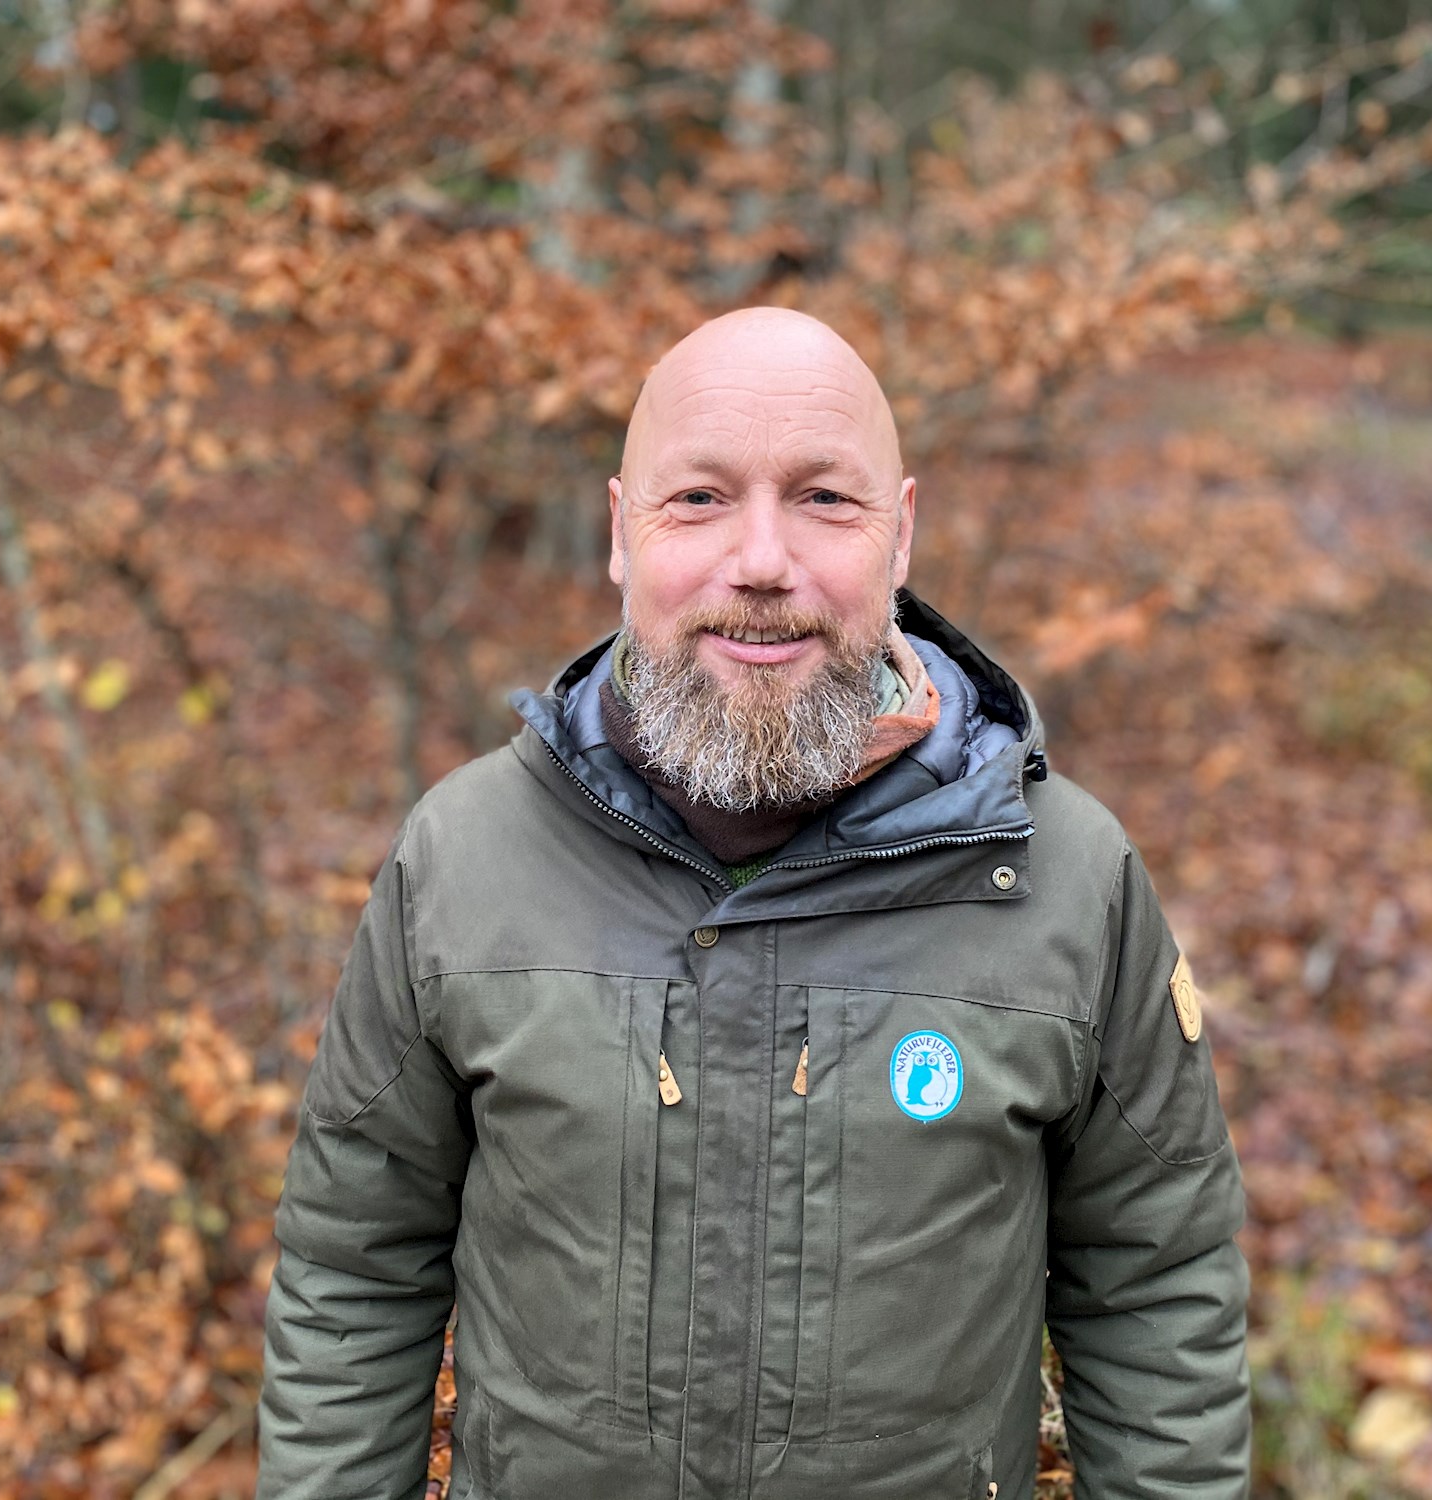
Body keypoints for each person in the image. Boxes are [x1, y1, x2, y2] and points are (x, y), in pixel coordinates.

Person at [256, 306, 1251, 1500]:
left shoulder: (1068, 879)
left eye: (824, 498)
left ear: (899, 535)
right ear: (619, 531)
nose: (763, 560)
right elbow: (354, 1269)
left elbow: (1155, 1284)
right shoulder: (461, 859)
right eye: (699, 498)